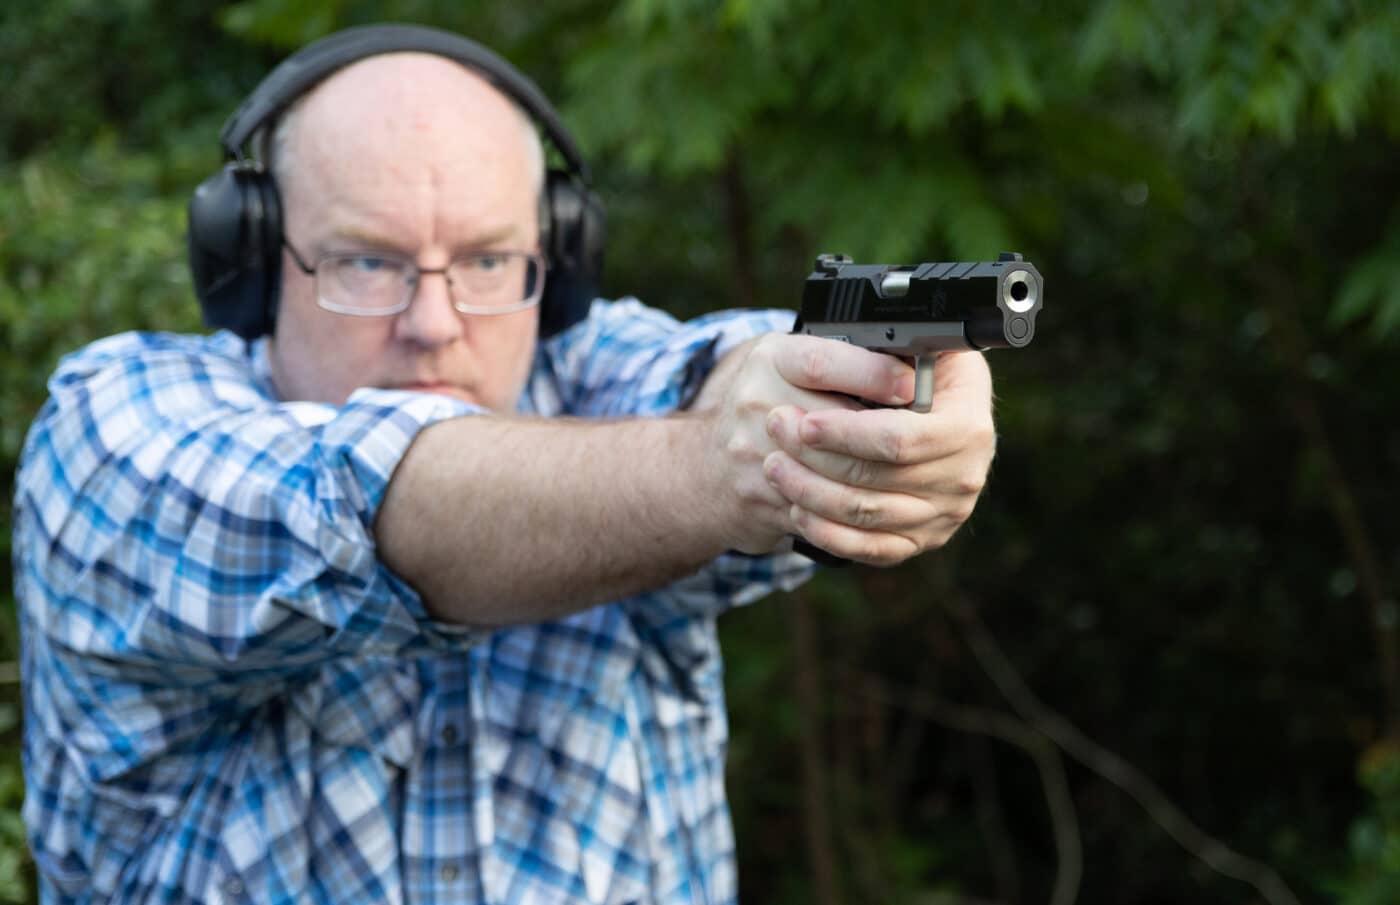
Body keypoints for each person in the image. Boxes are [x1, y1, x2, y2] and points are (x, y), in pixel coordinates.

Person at [12, 24, 996, 905]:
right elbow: (350, 500)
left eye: (488, 262)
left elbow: (717, 372)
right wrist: (711, 464)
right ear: (253, 258)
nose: (434, 325)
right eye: (365, 262)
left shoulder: (584, 371)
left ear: (556, 260)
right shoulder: (114, 430)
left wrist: (857, 399)